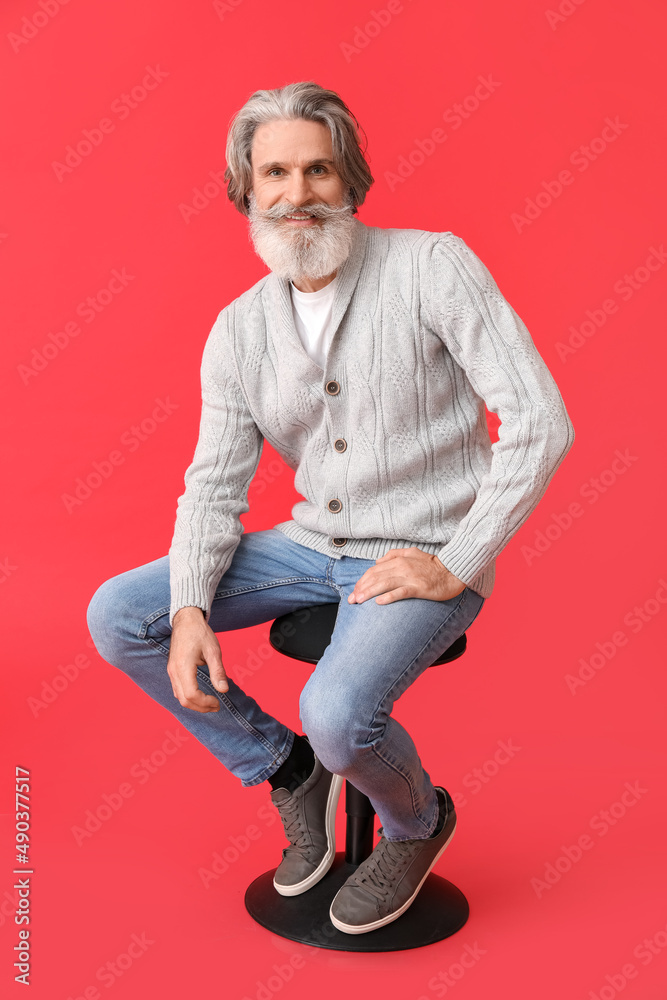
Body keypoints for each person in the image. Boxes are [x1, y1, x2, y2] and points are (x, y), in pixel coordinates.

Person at [87, 81, 575, 935]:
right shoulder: (238, 329)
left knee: (339, 715)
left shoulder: (431, 265)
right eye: (274, 173)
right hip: (310, 546)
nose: (297, 194)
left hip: (420, 549)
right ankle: (284, 771)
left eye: (318, 170)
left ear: (350, 179)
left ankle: (417, 823)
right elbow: (212, 485)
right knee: (122, 615)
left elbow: (539, 419)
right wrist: (191, 606)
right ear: (246, 191)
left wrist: (457, 559)